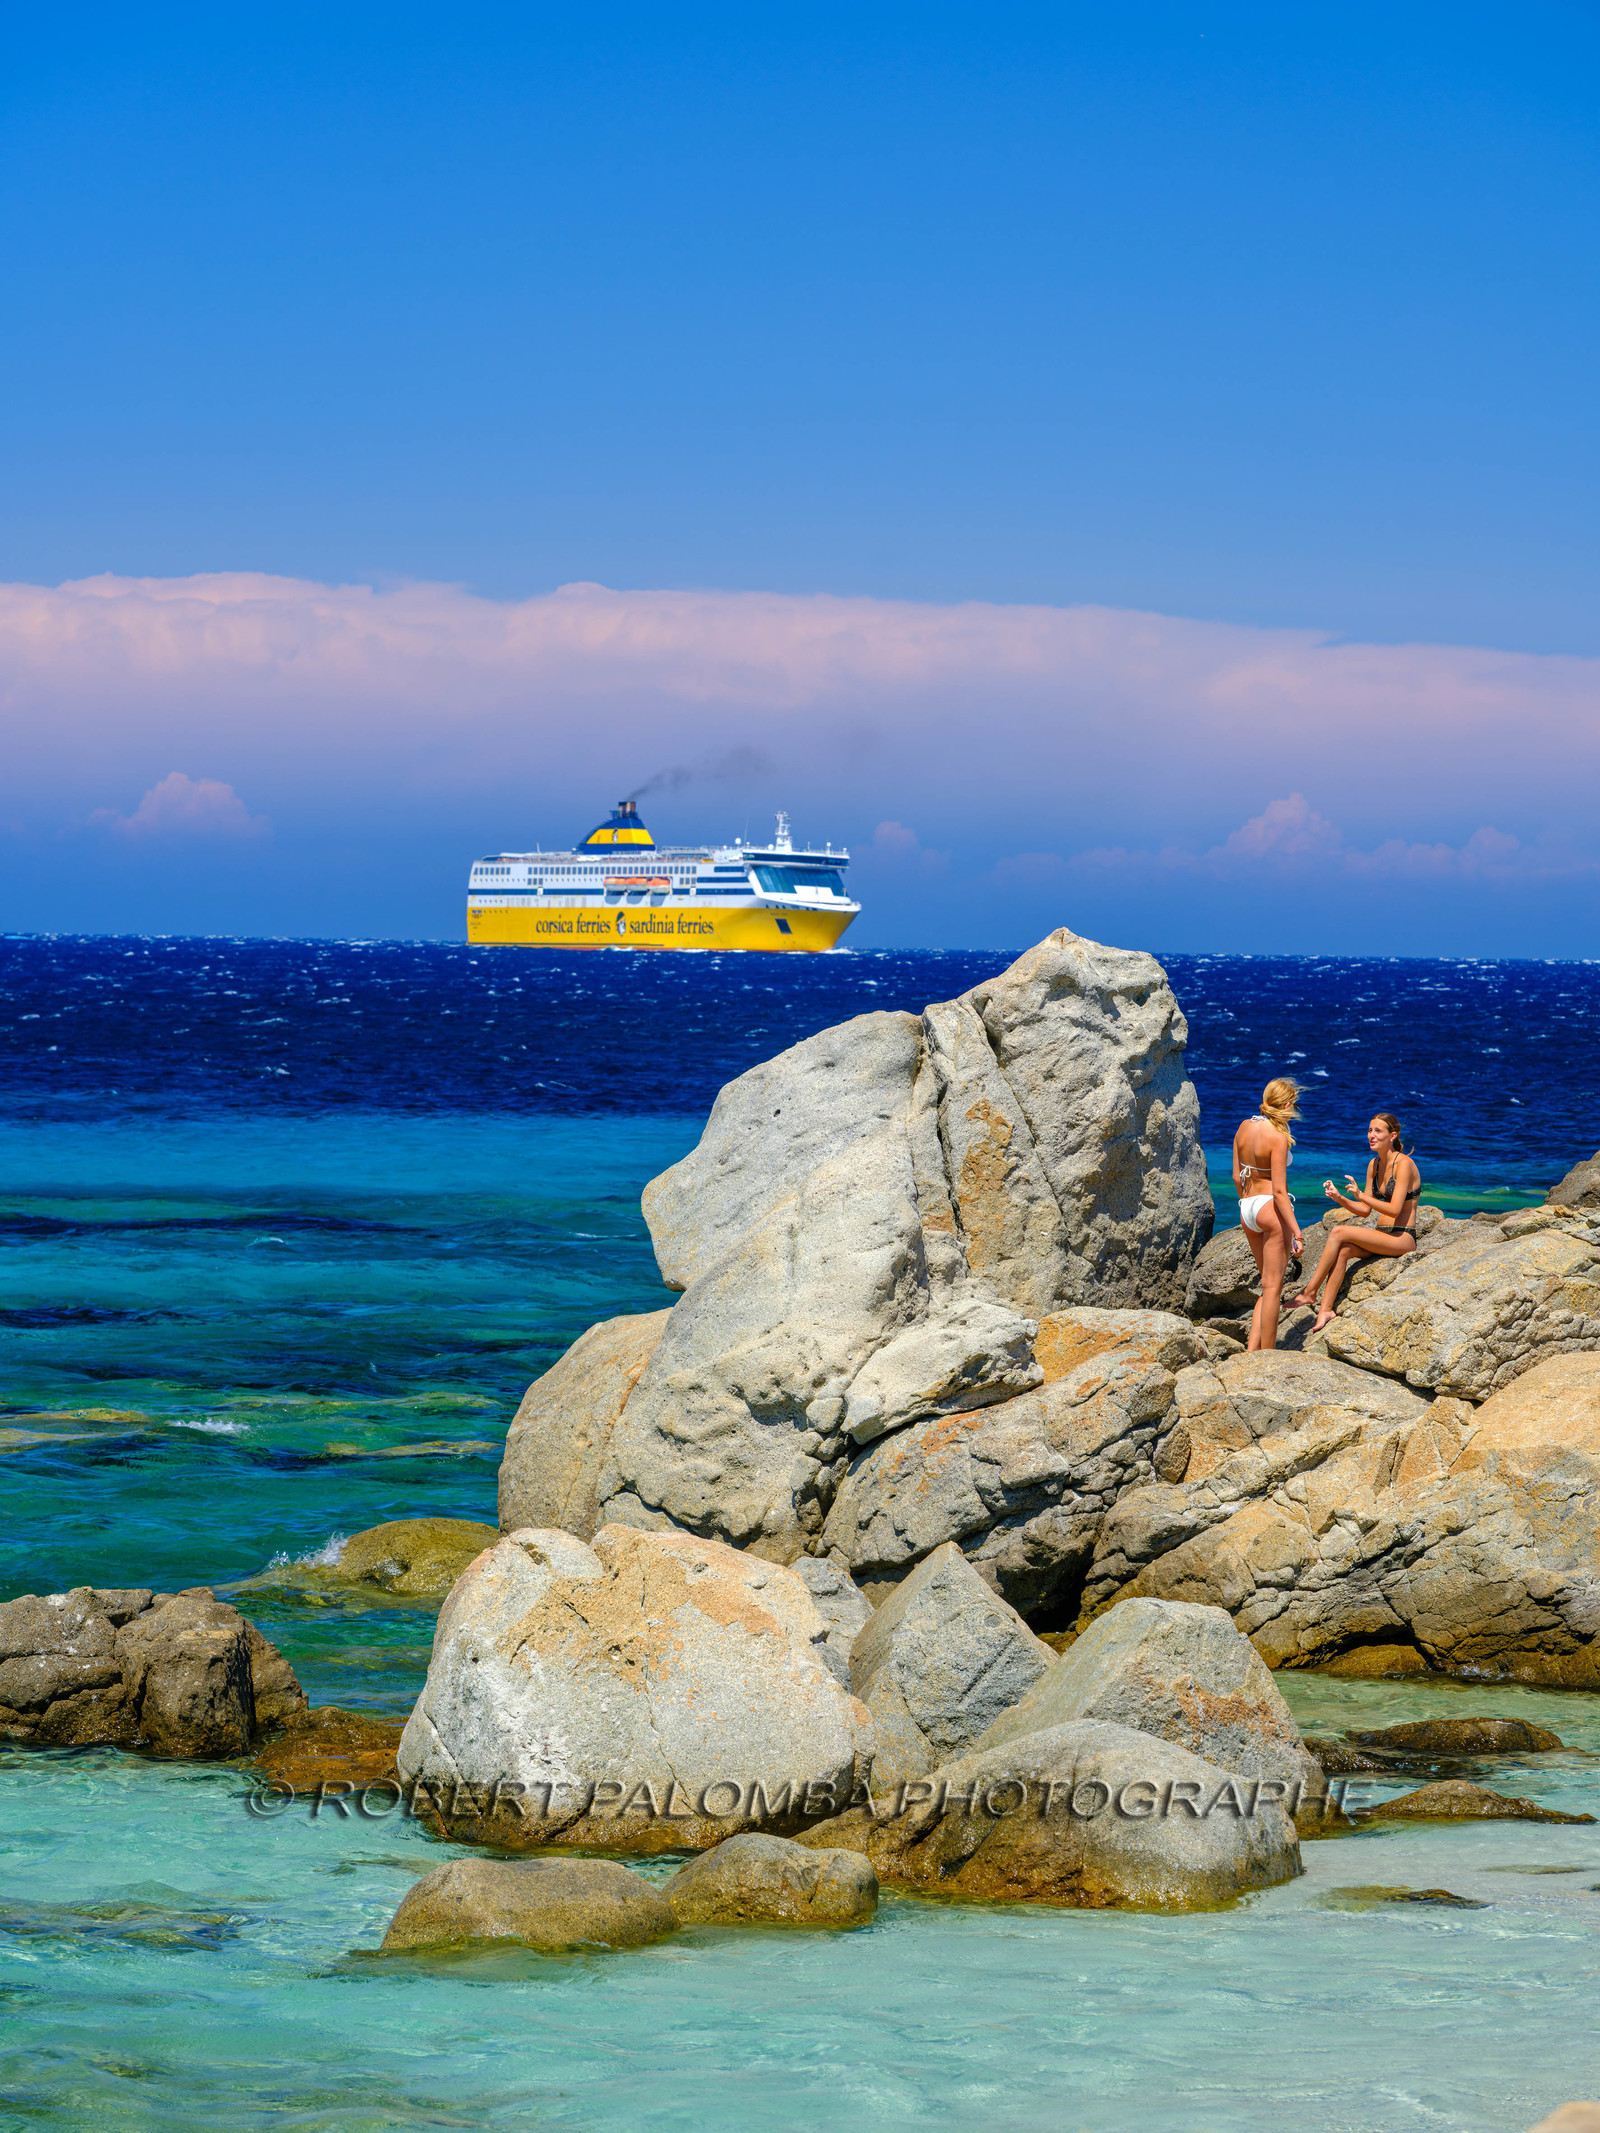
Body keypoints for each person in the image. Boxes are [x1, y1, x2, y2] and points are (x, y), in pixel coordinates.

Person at [1288, 1112, 1421, 1332]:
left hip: (1402, 1237)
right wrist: (1340, 1197)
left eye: (1378, 1131)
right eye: (1370, 1130)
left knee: (1339, 1231)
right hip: (1382, 1235)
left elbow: (1395, 1209)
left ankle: (1310, 1291)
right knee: (1344, 1251)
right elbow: (1365, 1211)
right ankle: (1325, 1311)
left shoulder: (1404, 1164)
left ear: (1392, 1136)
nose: (1371, 1135)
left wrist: (1361, 1195)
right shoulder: (1374, 1165)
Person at [1233, 1078, 1304, 1352]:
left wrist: (1247, 1205)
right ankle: (1269, 1355)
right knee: (1274, 1288)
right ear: (1286, 1104)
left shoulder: (1244, 1127)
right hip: (1268, 1208)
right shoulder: (1277, 1137)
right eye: (1293, 1105)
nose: (1293, 1110)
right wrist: (1297, 1231)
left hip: (1247, 1206)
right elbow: (1279, 1193)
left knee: (1266, 1285)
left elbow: (1236, 1176)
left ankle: (1252, 1351)